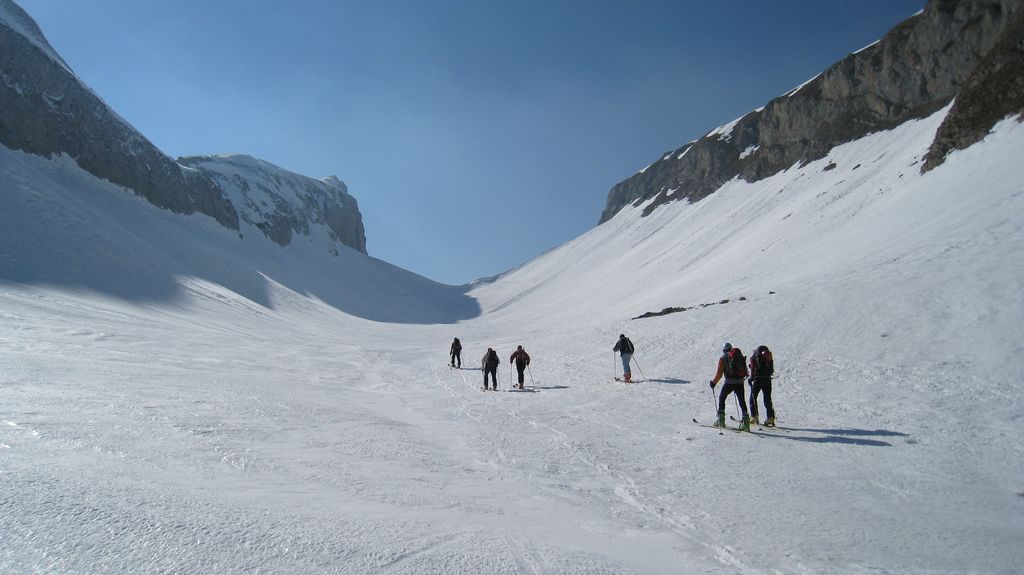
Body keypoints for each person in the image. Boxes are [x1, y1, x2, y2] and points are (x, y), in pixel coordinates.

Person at [709, 343, 750, 431]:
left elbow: (719, 374)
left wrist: (713, 382)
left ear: (724, 350)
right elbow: (745, 369)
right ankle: (746, 423)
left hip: (729, 383)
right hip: (740, 382)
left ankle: (721, 420)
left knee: (722, 398)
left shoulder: (723, 358)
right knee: (742, 400)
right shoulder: (738, 355)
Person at [748, 345, 776, 426]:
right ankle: (770, 417)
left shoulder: (754, 357)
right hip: (767, 379)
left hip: (758, 380)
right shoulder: (768, 356)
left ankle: (754, 416)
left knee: (752, 398)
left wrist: (751, 378)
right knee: (767, 398)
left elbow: (753, 370)